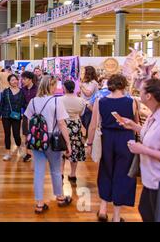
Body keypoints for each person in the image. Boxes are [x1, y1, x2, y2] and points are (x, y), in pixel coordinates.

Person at [87, 74, 138, 222]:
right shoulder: (132, 102)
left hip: (107, 139)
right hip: (126, 140)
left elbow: (92, 125)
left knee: (105, 170)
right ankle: (116, 216)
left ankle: (103, 210)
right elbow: (135, 126)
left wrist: (89, 143)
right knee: (122, 175)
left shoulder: (100, 101)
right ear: (124, 85)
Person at [24, 75, 73, 214]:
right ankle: (60, 197)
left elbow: (28, 120)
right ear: (51, 85)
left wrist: (31, 137)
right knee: (56, 170)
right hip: (53, 138)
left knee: (39, 171)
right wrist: (68, 144)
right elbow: (62, 124)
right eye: (55, 85)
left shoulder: (33, 101)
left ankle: (39, 203)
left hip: (38, 139)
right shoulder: (57, 102)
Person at [120, 78, 160, 222]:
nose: (139, 93)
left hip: (157, 180)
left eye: (141, 90)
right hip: (150, 179)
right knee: (145, 210)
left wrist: (142, 149)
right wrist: (134, 126)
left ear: (148, 96)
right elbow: (151, 135)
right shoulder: (152, 114)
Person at [61, 80, 87, 184]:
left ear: (65, 88)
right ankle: (73, 174)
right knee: (75, 149)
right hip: (76, 124)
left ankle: (61, 173)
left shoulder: (59, 100)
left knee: (62, 149)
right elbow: (81, 113)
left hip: (63, 124)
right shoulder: (81, 100)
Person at [0, 74, 26, 161]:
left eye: (16, 79)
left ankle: (20, 148)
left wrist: (23, 113)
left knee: (17, 134)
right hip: (6, 115)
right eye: (12, 80)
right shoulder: (5, 91)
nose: (14, 81)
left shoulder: (21, 92)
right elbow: (2, 104)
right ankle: (8, 152)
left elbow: (24, 104)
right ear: (9, 82)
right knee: (7, 134)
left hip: (16, 115)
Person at [21, 71, 38, 162]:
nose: (23, 81)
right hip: (26, 114)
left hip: (36, 115)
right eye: (22, 79)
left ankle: (37, 152)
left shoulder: (37, 89)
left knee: (36, 133)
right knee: (26, 133)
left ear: (30, 79)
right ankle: (28, 153)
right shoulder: (22, 89)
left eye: (24, 79)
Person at [80, 66, 99, 137]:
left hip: (89, 107)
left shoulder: (93, 83)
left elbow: (88, 94)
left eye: (83, 72)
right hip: (84, 106)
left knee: (88, 123)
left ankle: (89, 140)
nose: (82, 73)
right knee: (84, 123)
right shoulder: (85, 82)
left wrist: (81, 87)